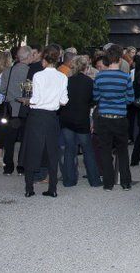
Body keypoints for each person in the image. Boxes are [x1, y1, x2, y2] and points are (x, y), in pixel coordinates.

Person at [22, 45, 68, 198]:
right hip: (52, 117)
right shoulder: (62, 77)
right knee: (52, 152)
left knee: (32, 150)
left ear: (44, 59)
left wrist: (27, 101)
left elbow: (35, 99)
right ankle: (52, 188)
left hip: (37, 116)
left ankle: (29, 188)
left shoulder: (38, 75)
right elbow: (64, 101)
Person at [59, 55, 101, 188]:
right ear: (86, 67)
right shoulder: (90, 82)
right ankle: (94, 180)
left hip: (66, 118)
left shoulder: (67, 81)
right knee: (87, 150)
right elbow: (94, 100)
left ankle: (69, 180)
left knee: (69, 149)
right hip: (82, 119)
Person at [93, 51, 134, 190]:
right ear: (120, 60)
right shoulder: (125, 77)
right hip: (120, 117)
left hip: (104, 117)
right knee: (122, 150)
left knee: (105, 150)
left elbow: (96, 96)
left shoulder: (99, 76)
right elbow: (130, 98)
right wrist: (120, 101)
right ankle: (125, 182)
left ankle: (108, 183)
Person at [0, 45, 32, 175]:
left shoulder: (8, 71)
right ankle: (21, 167)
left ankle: (8, 167)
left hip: (10, 109)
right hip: (24, 109)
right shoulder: (29, 72)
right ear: (28, 57)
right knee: (24, 139)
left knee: (9, 140)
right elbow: (29, 91)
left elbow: (2, 90)